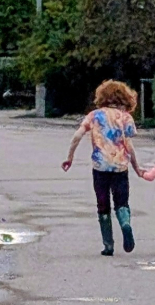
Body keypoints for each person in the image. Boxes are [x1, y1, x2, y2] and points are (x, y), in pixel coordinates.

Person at [62, 80, 148, 255]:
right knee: (121, 203)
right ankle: (125, 224)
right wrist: (137, 168)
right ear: (124, 97)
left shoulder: (94, 116)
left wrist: (69, 157)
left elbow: (77, 136)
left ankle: (108, 245)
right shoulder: (125, 118)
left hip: (100, 167)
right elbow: (129, 146)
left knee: (103, 205)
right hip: (120, 167)